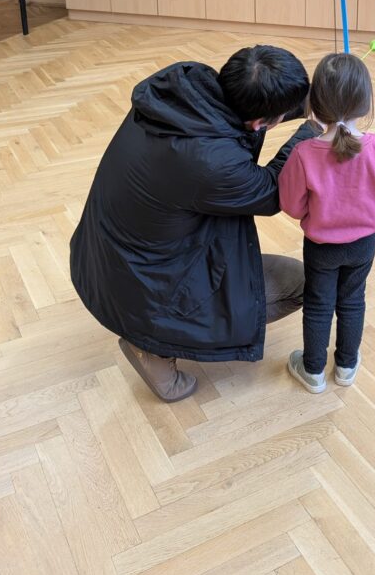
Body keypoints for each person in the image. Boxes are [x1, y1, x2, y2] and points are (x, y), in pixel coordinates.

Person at [70, 45, 314, 402]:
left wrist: (307, 104)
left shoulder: (184, 86)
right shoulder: (211, 163)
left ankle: (151, 331)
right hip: (146, 285)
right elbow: (272, 192)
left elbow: (244, 125)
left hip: (105, 256)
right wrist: (312, 130)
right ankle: (152, 348)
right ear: (263, 122)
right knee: (299, 284)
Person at [278, 53, 375, 393]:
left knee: (318, 304)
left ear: (314, 106)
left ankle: (313, 371)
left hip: (321, 247)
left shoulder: (303, 152)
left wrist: (312, 214)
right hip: (364, 244)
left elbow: (291, 204)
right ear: (366, 103)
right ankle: (346, 366)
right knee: (353, 300)